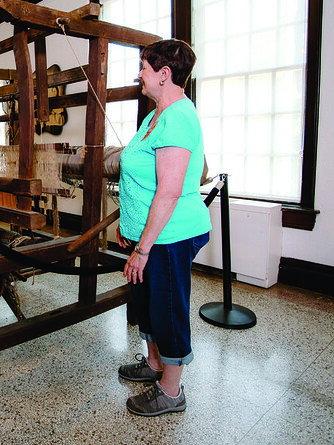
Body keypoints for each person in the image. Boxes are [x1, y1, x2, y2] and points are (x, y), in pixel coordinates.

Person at [115, 39, 211, 417]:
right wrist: (132, 228)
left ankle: (171, 391)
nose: (140, 73)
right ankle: (154, 364)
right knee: (148, 303)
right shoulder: (155, 115)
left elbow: (169, 192)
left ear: (164, 74)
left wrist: (144, 248)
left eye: (144, 67)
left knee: (168, 308)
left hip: (169, 236)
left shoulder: (179, 116)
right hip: (149, 233)